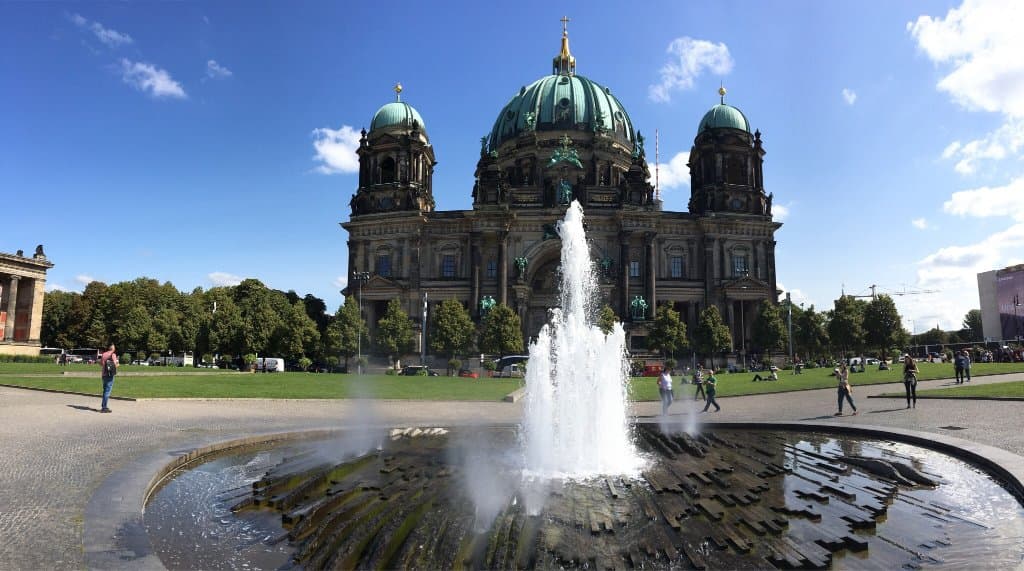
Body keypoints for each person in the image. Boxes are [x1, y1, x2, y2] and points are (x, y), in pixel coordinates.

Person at [99, 344, 118, 413]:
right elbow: (115, 365)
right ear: (112, 348)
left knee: (105, 390)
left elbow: (100, 364)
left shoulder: (104, 354)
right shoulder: (113, 354)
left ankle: (103, 406)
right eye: (114, 347)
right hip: (109, 374)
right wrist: (117, 365)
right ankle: (104, 407)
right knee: (107, 391)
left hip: (103, 374)